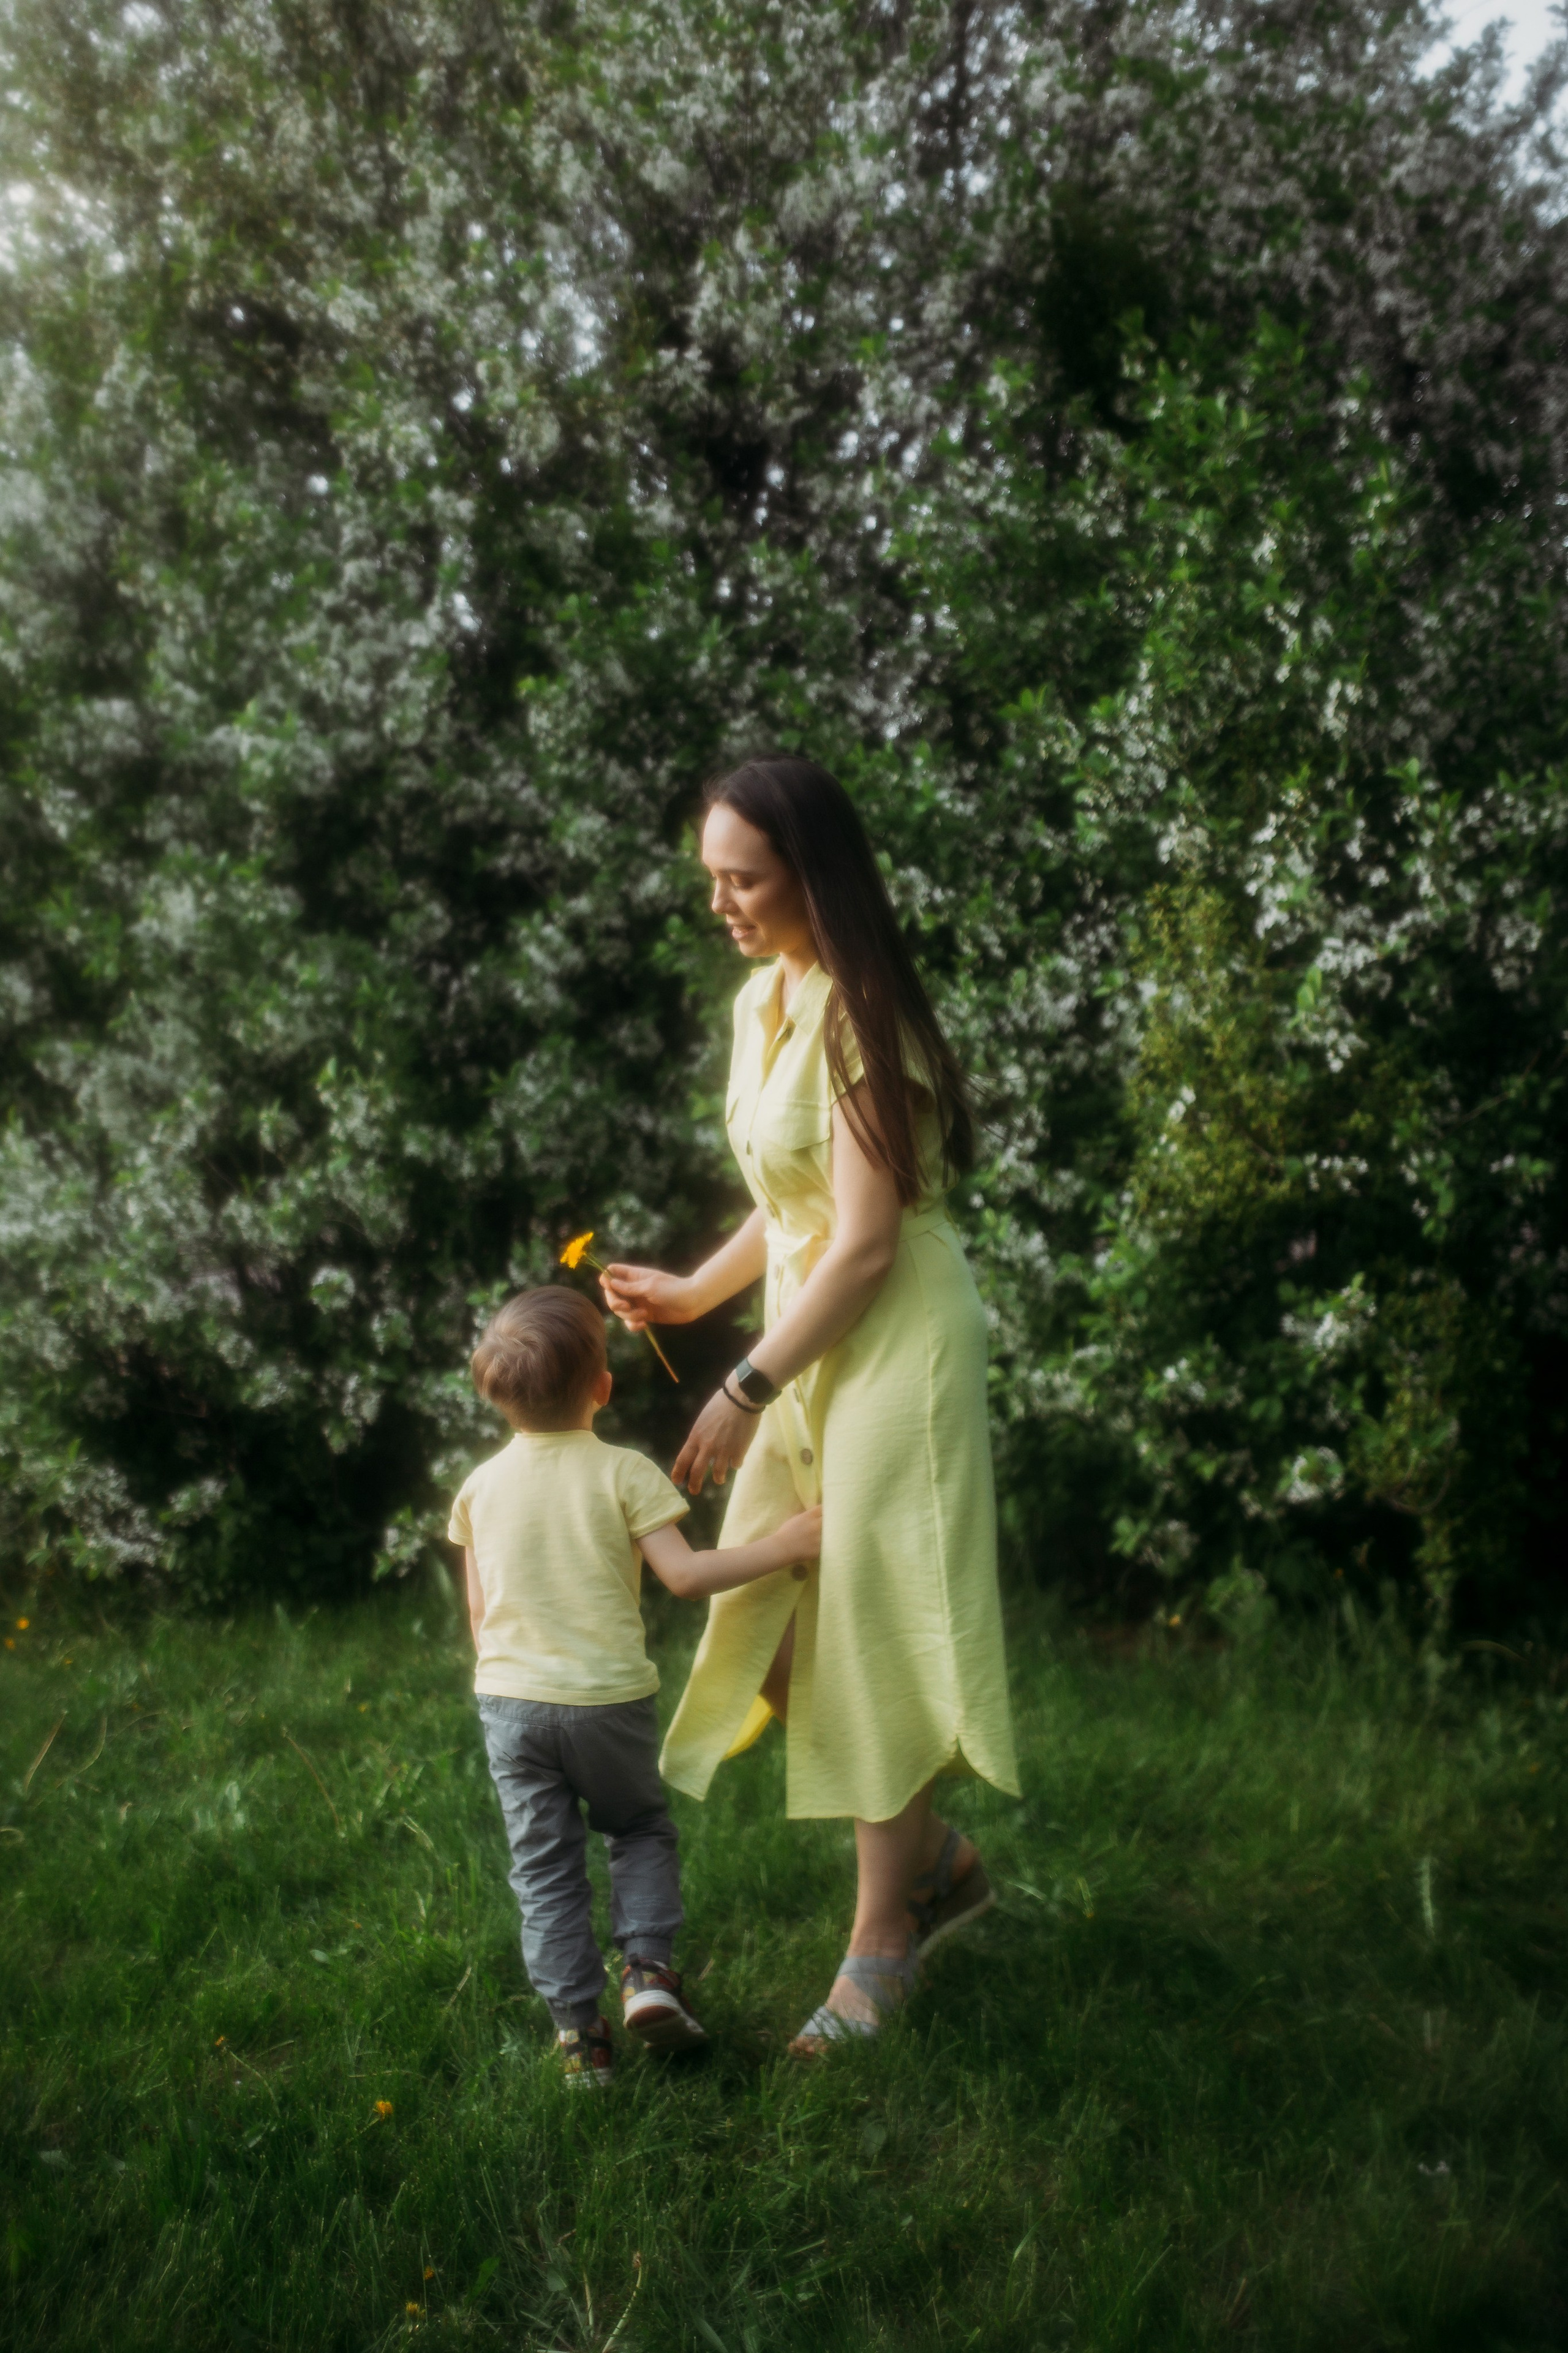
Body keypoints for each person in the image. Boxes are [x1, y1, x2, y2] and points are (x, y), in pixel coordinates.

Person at [601, 753, 1020, 2055]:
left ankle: (880, 1940)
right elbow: (789, 1209)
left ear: (808, 876)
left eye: (744, 878)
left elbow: (865, 1243)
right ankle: (936, 1859)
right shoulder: (758, 999)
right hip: (805, 1330)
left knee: (869, 1629)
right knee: (773, 1614)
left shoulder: (859, 1011)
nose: (720, 900)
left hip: (889, 1341)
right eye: (711, 878)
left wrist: (739, 1379)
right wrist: (689, 1291)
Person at [450, 1285, 821, 2089]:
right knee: (637, 1827)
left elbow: (481, 1614)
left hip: (511, 1705)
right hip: (606, 1703)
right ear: (603, 1386)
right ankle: (648, 1973)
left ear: (497, 1392)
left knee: (544, 1870)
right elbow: (686, 1577)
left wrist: (510, 1680)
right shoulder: (622, 1472)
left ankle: (580, 2040)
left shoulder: (478, 1489)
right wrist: (786, 1541)